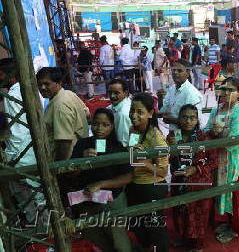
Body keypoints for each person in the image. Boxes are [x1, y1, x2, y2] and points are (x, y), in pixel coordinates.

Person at [69, 108, 133, 252]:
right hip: (87, 201)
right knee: (93, 235)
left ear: (112, 126)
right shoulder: (82, 145)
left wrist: (101, 184)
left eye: (105, 124)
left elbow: (128, 176)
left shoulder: (118, 148)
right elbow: (71, 173)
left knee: (119, 241)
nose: (99, 128)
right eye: (96, 124)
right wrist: (82, 161)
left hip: (112, 201)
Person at [204, 77, 239, 243]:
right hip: (218, 159)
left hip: (236, 159)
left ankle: (237, 229)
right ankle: (224, 222)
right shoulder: (216, 109)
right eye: (223, 89)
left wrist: (217, 134)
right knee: (221, 192)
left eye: (229, 90)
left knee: (236, 194)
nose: (224, 92)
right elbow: (207, 129)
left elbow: (236, 137)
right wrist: (212, 133)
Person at [0, 58, 46, 228]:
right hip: (32, 149)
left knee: (29, 194)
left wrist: (11, 157)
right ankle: (42, 227)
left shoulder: (12, 94)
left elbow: (18, 133)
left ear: (9, 76)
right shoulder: (28, 90)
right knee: (37, 193)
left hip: (23, 153)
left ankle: (40, 228)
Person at [167, 104, 218, 251]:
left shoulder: (204, 137)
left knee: (198, 216)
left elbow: (214, 161)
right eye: (184, 117)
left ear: (197, 120)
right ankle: (184, 239)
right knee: (181, 212)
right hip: (179, 182)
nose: (188, 121)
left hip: (199, 183)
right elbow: (168, 160)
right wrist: (172, 149)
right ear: (179, 119)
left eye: (192, 118)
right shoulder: (173, 136)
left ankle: (198, 246)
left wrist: (196, 168)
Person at [127, 93, 169, 252]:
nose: (134, 115)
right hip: (135, 184)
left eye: (139, 112)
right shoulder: (133, 130)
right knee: (136, 222)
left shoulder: (156, 139)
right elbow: (131, 152)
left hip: (151, 186)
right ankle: (146, 246)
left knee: (155, 226)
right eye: (132, 110)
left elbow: (163, 172)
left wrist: (145, 164)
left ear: (151, 113)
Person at [36, 67, 89, 160]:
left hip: (70, 159)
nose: (42, 88)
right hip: (79, 153)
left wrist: (59, 167)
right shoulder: (68, 94)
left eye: (47, 84)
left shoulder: (59, 105)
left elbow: (64, 143)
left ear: (59, 83)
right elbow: (87, 114)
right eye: (40, 84)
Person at [160, 60, 203, 131]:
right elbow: (163, 109)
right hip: (174, 134)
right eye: (173, 70)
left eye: (179, 70)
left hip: (186, 137)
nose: (175, 72)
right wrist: (160, 98)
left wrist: (172, 120)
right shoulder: (172, 88)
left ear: (188, 73)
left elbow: (196, 122)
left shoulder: (192, 94)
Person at [107, 79, 132, 147]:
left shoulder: (122, 114)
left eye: (116, 93)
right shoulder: (120, 104)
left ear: (125, 93)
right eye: (110, 92)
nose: (112, 96)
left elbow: (122, 142)